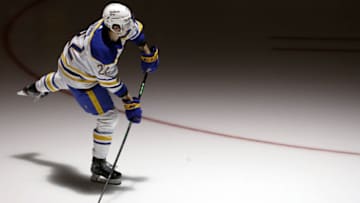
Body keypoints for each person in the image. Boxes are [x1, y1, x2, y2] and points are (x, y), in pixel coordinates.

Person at [17, 2, 159, 185]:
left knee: (62, 78)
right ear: (115, 26)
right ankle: (98, 165)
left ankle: (35, 88)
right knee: (108, 116)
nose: (130, 26)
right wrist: (128, 101)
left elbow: (137, 34)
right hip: (80, 77)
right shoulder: (101, 52)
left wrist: (146, 53)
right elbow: (110, 82)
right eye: (126, 24)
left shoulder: (114, 26)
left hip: (71, 64)